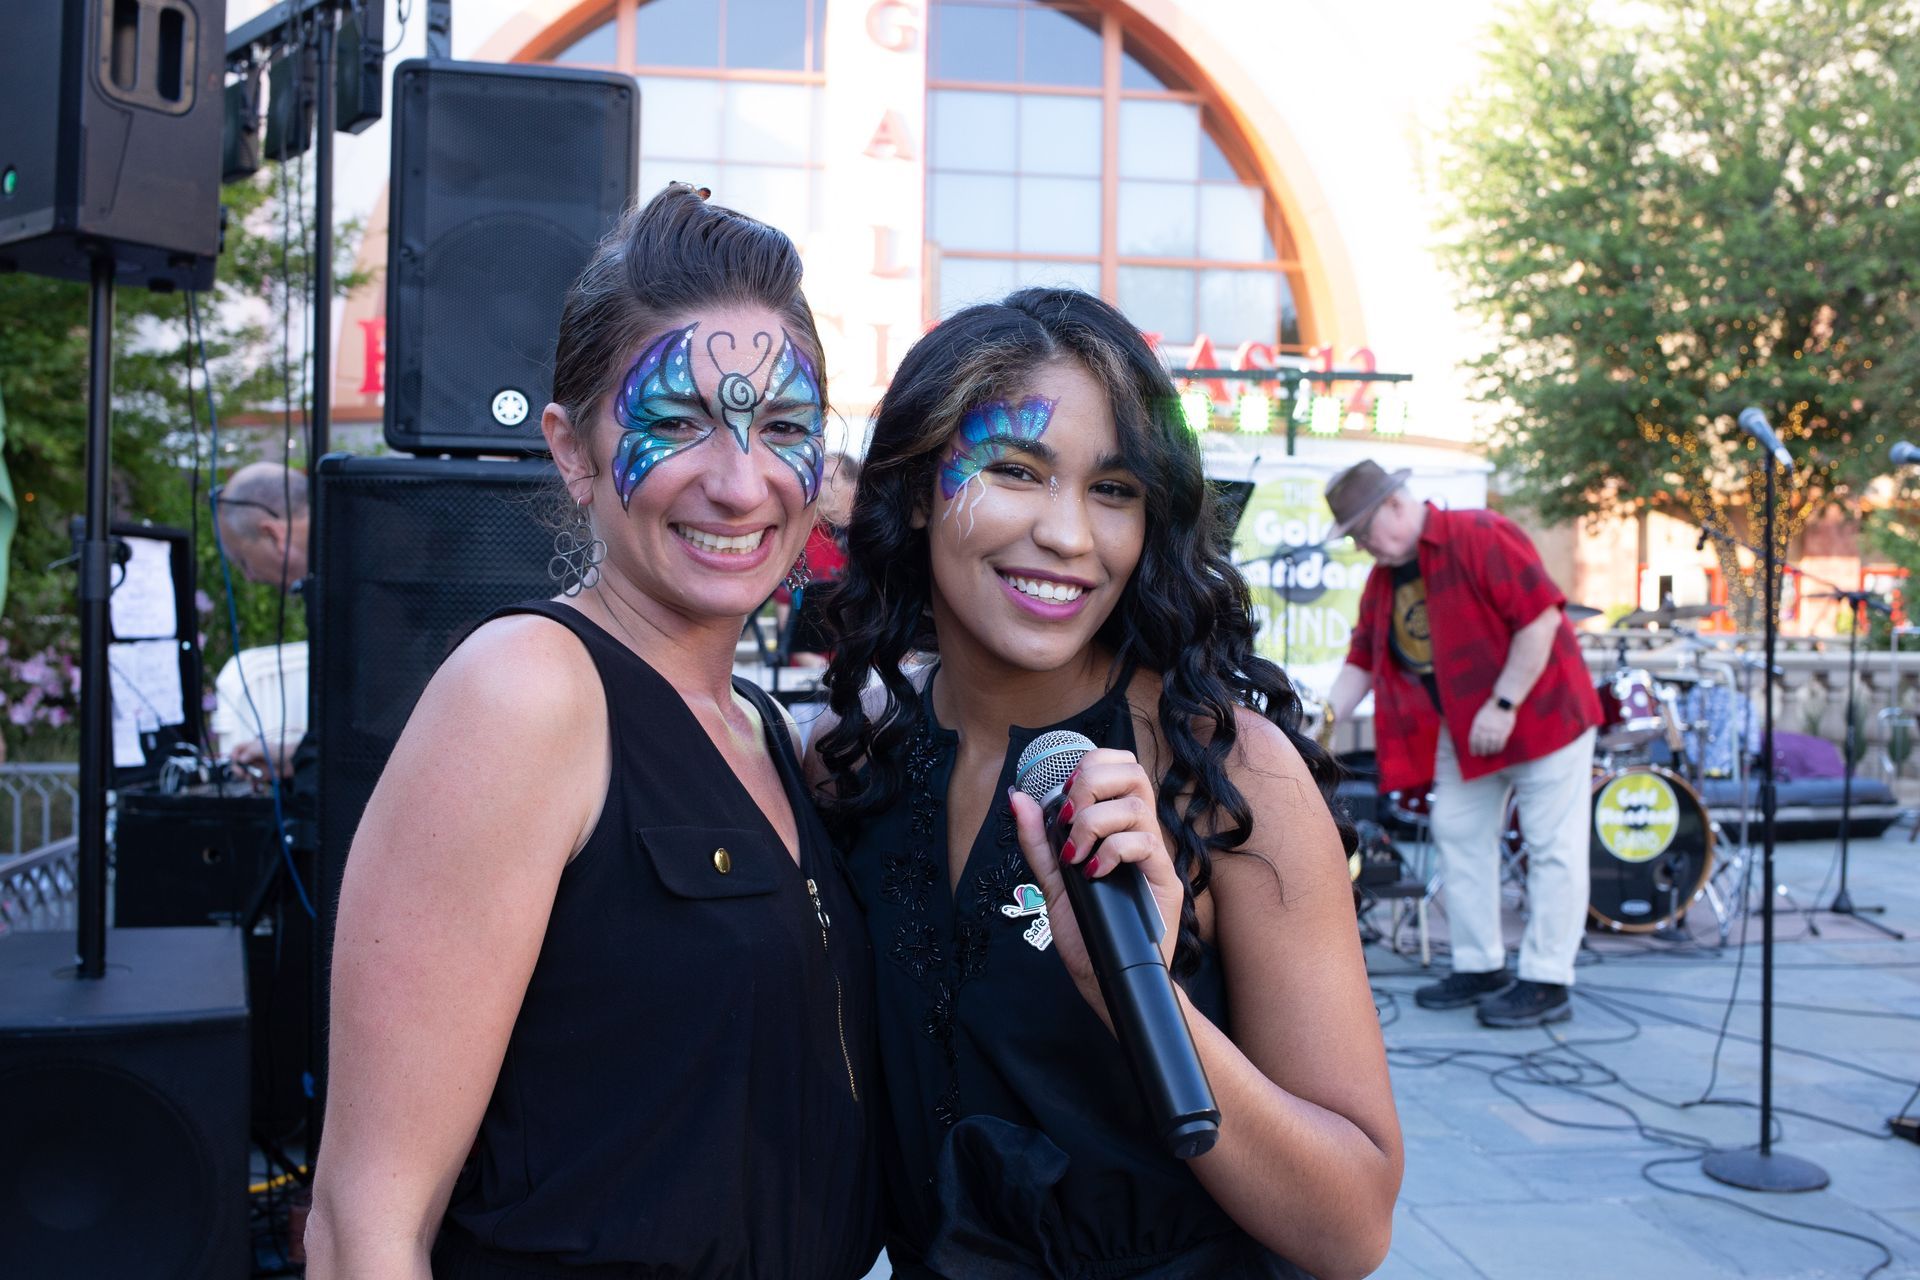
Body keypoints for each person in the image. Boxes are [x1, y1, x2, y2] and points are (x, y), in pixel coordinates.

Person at [306, 185, 879, 1279]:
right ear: (572, 450)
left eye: (786, 428)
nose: (740, 479)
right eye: (675, 421)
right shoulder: (526, 693)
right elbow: (363, 1229)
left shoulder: (757, 724)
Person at [809, 288, 1402, 1279]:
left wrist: (1140, 996)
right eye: (1015, 470)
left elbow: (1351, 1226)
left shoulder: (1227, 770)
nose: (1070, 535)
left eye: (1115, 488)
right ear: (916, 489)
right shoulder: (854, 762)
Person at [1321, 461, 1602, 1028]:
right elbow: (1362, 658)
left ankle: (1548, 980)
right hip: (1467, 729)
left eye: (1361, 531)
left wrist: (1504, 703)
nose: (1360, 545)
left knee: (1552, 848)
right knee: (1458, 832)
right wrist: (1320, 722)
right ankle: (1481, 965)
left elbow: (1540, 621)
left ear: (1396, 507)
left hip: (1541, 716)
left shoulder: (1480, 534)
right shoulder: (1384, 580)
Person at [212, 462, 312, 778]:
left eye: (243, 561)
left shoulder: (360, 596)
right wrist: (293, 756)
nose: (250, 577)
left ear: (273, 534)